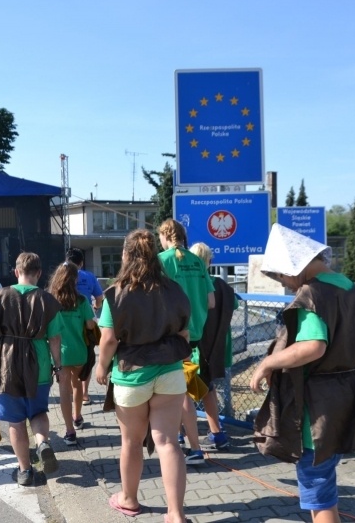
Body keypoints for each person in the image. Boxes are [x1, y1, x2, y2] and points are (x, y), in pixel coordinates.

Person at [249, 224, 355, 523]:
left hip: (317, 403)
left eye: (281, 275)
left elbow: (313, 347)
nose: (285, 283)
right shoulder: (346, 284)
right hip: (347, 391)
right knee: (325, 476)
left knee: (316, 485)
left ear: (294, 266)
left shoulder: (312, 293)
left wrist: (268, 363)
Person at [95, 229, 191, 523]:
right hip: (170, 372)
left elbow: (109, 339)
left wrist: (101, 366)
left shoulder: (116, 292)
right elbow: (184, 333)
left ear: (125, 255)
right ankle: (175, 514)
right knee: (168, 443)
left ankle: (129, 500)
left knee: (131, 442)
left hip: (131, 373)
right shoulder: (173, 289)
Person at [0, 252, 63, 486]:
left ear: (16, 272)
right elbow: (55, 339)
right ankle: (42, 443)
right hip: (38, 363)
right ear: (39, 273)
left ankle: (25, 470)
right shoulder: (48, 301)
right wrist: (58, 366)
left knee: (16, 422)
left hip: (7, 364)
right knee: (38, 411)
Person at [158, 218, 215, 466]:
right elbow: (211, 301)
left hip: (172, 335)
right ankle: (182, 438)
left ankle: (194, 449)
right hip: (195, 333)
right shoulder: (197, 261)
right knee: (182, 388)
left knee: (180, 394)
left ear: (166, 236)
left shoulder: (162, 261)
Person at [189, 242, 238, 451]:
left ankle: (184, 434)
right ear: (209, 261)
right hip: (216, 347)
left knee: (185, 391)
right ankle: (217, 433)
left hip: (194, 347)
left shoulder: (190, 285)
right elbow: (233, 305)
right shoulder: (222, 286)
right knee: (207, 388)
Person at [47, 261, 95, 446]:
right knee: (77, 386)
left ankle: (69, 431)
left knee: (64, 390)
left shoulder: (51, 300)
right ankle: (77, 415)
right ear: (74, 279)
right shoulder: (81, 300)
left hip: (60, 352)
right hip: (79, 350)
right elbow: (91, 324)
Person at [66, 247, 103, 405]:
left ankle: (68, 392)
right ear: (81, 262)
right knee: (87, 357)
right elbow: (99, 297)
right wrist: (95, 308)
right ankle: (85, 394)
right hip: (86, 320)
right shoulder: (89, 276)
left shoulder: (60, 275)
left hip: (65, 321)